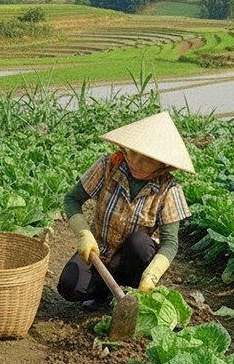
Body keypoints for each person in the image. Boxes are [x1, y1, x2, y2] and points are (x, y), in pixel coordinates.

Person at [57, 111, 195, 308]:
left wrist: (151, 274)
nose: (136, 163)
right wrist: (84, 234)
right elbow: (72, 199)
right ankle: (106, 294)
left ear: (162, 165)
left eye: (147, 159)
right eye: (132, 153)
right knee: (69, 286)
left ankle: (130, 292)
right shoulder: (107, 166)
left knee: (139, 243)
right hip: (100, 254)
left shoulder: (169, 190)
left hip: (134, 263)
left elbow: (170, 243)